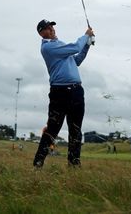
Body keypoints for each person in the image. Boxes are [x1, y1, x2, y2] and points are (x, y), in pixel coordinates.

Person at [33, 19, 94, 168]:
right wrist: (86, 36)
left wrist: (87, 45)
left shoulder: (60, 46)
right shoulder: (48, 48)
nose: (52, 29)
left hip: (76, 91)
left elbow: (77, 59)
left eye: (52, 27)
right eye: (48, 28)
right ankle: (38, 163)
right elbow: (75, 47)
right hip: (59, 93)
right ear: (42, 33)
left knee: (76, 130)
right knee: (53, 129)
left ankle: (74, 164)